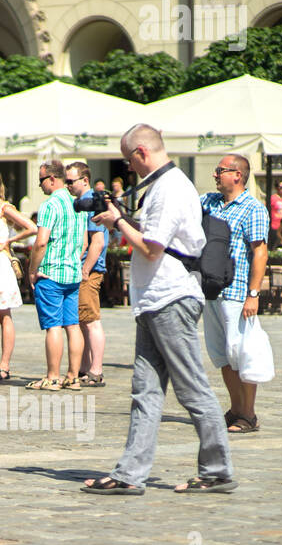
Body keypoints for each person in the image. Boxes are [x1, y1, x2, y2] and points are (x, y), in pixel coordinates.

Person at [83, 124, 237, 494]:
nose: (128, 168)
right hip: (154, 300)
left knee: (192, 388)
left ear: (140, 152)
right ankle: (129, 475)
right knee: (146, 391)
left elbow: (152, 247)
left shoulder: (170, 188)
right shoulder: (161, 187)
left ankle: (217, 471)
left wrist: (117, 220)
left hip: (171, 298)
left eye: (127, 160)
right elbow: (156, 240)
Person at [201, 154, 273, 433]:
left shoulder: (253, 208)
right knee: (222, 354)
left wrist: (253, 294)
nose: (215, 175)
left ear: (237, 175)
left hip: (237, 291)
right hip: (211, 290)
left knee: (243, 352)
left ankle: (249, 414)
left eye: (220, 170)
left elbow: (260, 252)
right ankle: (235, 408)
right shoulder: (209, 203)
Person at [26, 160, 87, 391]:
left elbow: (41, 242)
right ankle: (73, 377)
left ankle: (52, 377)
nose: (40, 185)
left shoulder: (50, 205)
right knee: (72, 325)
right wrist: (72, 260)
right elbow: (83, 243)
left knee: (53, 326)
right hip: (72, 274)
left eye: (41, 180)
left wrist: (32, 270)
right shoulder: (78, 203)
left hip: (50, 273)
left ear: (52, 179)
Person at [0, 169, 35, 381]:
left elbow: (31, 227)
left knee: (3, 314)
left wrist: (9, 241)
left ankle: (5, 364)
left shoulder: (4, 208)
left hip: (0, 265)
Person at [66, 162, 108, 388]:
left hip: (89, 270)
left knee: (91, 321)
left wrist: (85, 270)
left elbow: (98, 242)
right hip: (85, 268)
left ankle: (96, 370)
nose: (68, 185)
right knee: (82, 320)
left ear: (84, 179)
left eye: (71, 181)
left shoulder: (94, 202)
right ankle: (85, 368)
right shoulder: (82, 203)